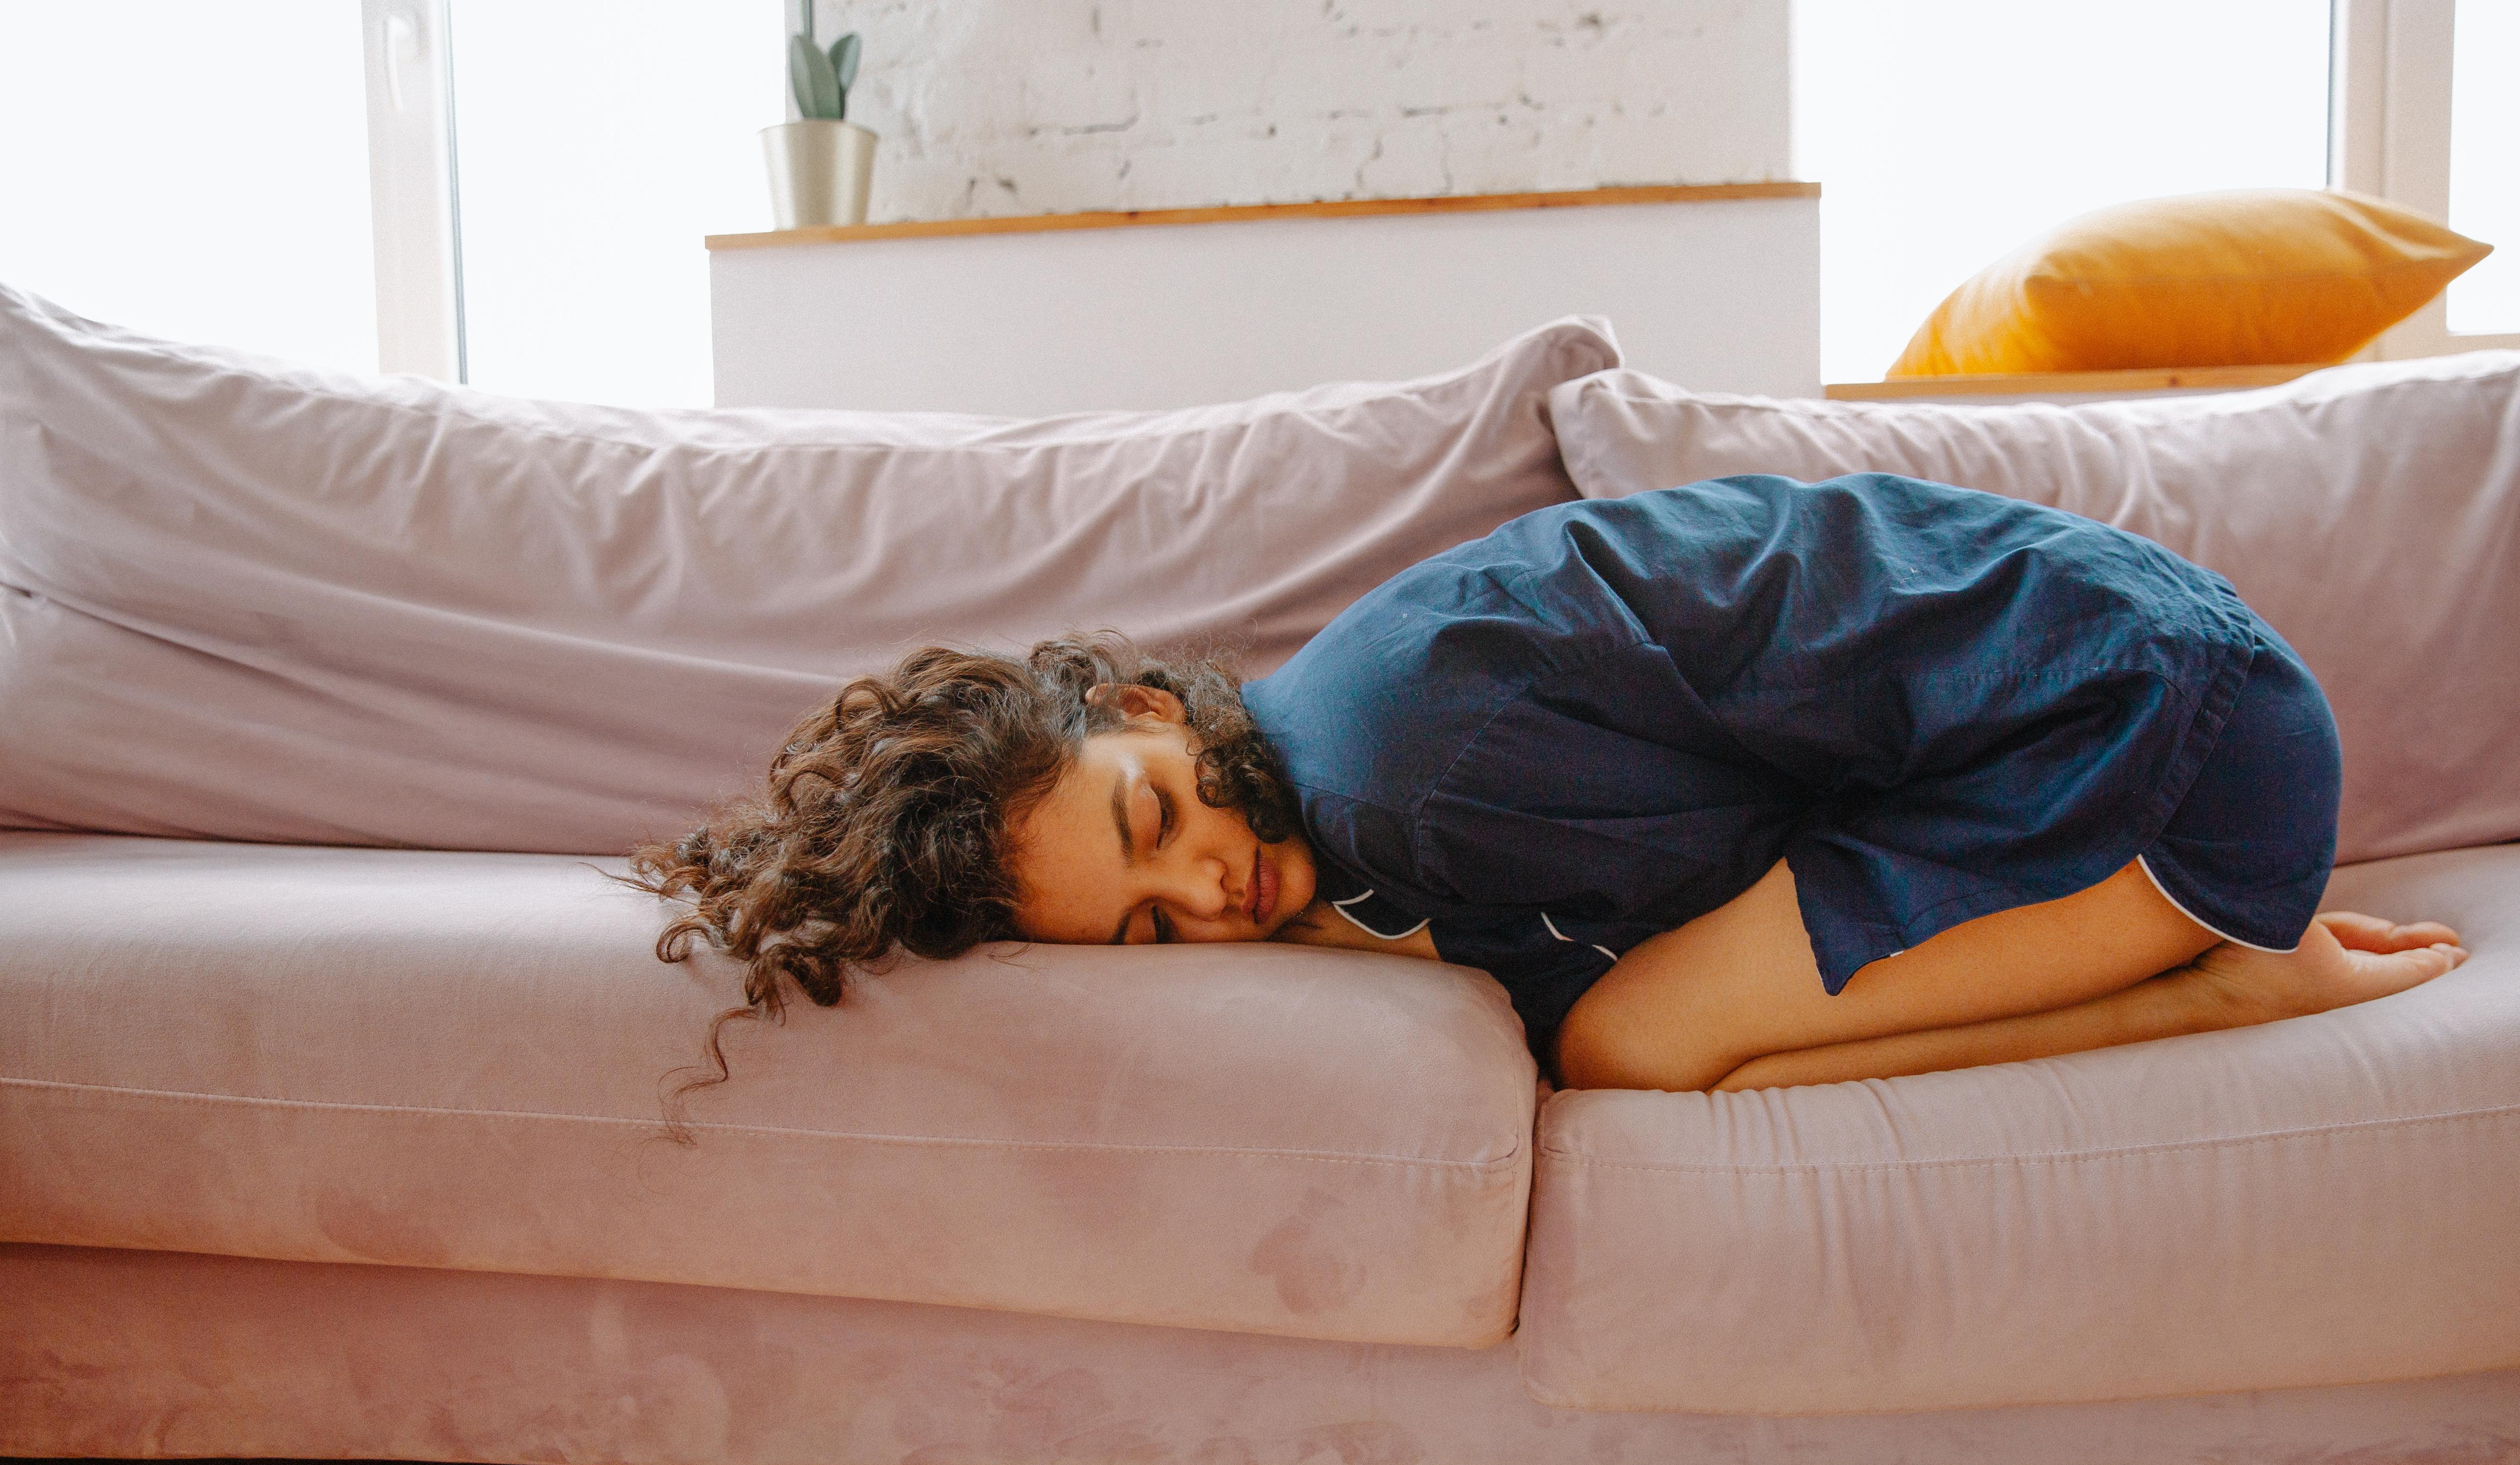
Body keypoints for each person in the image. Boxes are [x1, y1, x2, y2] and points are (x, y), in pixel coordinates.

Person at [634, 473, 2465, 1092]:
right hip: (2158, 673)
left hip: (2167, 751)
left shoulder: (1413, 779)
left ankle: (2222, 978)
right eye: (1143, 924)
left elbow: (1674, 951)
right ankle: (2173, 948)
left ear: (1148, 709)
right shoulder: (1338, 729)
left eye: (1153, 818)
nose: (1206, 891)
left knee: (1631, 1055)